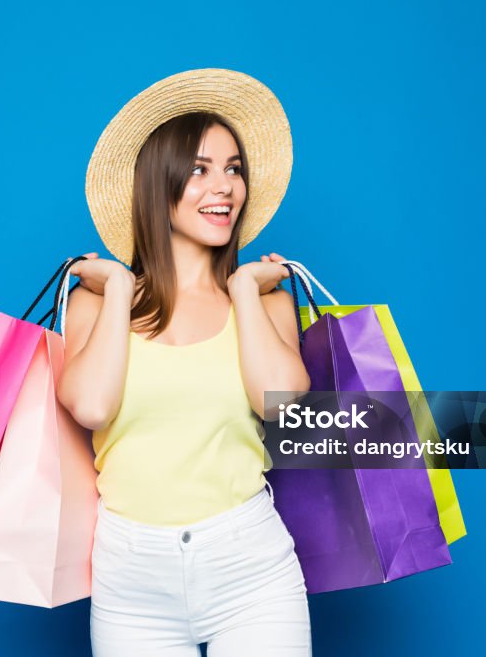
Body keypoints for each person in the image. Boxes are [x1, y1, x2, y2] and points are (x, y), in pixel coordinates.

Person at [57, 69, 313, 656]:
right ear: (157, 183)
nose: (223, 186)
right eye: (199, 169)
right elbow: (93, 406)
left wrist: (246, 292)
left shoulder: (268, 301)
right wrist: (120, 291)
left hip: (251, 569)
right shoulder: (96, 304)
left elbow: (283, 403)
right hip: (130, 581)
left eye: (233, 169)